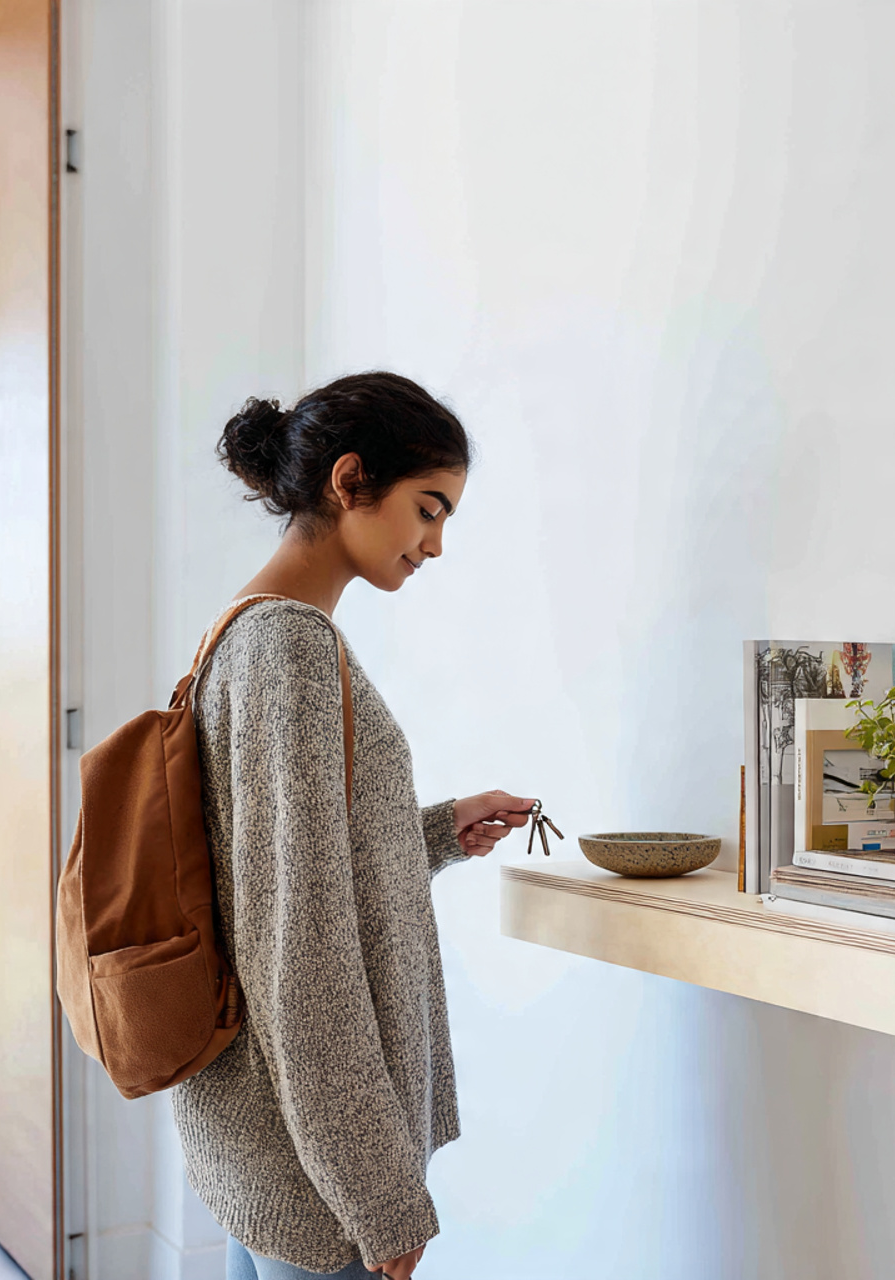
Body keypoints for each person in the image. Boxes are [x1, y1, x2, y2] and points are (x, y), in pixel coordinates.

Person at [171, 371, 533, 1280]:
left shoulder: (241, 631)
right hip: (314, 1172)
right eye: (428, 508)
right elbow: (302, 951)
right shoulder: (291, 648)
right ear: (349, 482)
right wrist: (379, 1198)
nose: (437, 543)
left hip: (260, 1140)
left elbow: (279, 875)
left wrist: (443, 829)